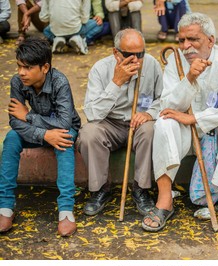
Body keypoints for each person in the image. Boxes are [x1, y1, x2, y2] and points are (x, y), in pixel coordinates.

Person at [143, 12, 218, 239]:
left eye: (193, 39)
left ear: (211, 40)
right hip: (186, 133)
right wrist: (189, 79)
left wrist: (197, 118)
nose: (186, 46)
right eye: (182, 40)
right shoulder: (176, 61)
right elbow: (168, 105)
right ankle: (164, 200)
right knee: (163, 123)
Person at [0, 37, 81, 237]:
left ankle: (66, 211)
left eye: (27, 67)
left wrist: (28, 115)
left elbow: (64, 123)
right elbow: (14, 121)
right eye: (19, 66)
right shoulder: (17, 82)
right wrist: (44, 134)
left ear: (45, 67)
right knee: (11, 139)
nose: (21, 72)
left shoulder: (60, 82)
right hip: (39, 131)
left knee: (64, 140)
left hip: (65, 129)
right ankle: (5, 206)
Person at [77, 28, 162, 216]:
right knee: (88, 134)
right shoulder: (100, 69)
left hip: (140, 124)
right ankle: (101, 189)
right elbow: (92, 114)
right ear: (116, 53)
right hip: (110, 123)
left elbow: (162, 99)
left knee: (152, 130)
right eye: (129, 55)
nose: (136, 60)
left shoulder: (152, 65)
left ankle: (141, 189)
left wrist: (149, 113)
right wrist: (116, 82)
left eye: (140, 54)